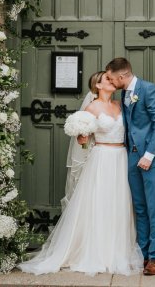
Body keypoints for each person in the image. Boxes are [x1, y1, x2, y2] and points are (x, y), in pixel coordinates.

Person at [18, 71, 143, 276]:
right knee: (99, 203)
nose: (112, 82)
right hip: (101, 158)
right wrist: (81, 139)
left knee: (119, 202)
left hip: (121, 157)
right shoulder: (91, 108)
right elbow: (83, 140)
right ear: (98, 85)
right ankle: (97, 252)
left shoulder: (120, 105)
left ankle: (117, 250)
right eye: (107, 79)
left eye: (112, 79)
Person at [106, 57, 155, 276]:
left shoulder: (149, 89)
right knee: (140, 209)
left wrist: (149, 154)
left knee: (154, 208)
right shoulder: (124, 94)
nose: (110, 81)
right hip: (132, 158)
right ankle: (143, 254)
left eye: (111, 78)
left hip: (153, 159)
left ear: (122, 76)